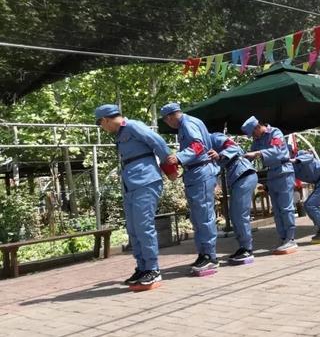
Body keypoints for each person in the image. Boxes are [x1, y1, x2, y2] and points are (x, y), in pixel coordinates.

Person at [95, 104, 174, 286]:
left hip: (146, 181)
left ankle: (153, 269)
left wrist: (170, 168)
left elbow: (158, 143)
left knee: (144, 226)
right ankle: (142, 267)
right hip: (130, 184)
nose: (103, 129)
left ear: (106, 120)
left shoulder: (133, 126)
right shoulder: (120, 134)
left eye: (102, 125)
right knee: (133, 228)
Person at [160, 103, 219, 274]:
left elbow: (198, 146)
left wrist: (178, 157)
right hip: (195, 173)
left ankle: (210, 256)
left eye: (166, 121)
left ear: (170, 117)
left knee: (204, 215)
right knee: (197, 216)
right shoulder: (189, 123)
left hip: (200, 172)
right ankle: (203, 254)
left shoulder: (188, 123)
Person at [242, 116, 297, 254]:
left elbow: (277, 151)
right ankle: (283, 238)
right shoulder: (257, 140)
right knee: (277, 210)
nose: (252, 137)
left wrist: (258, 153)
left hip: (284, 172)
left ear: (257, 127)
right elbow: (252, 154)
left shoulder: (275, 133)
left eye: (253, 133)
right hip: (272, 175)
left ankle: (291, 239)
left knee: (286, 208)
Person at [208, 132, 258, 264]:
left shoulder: (214, 137)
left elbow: (235, 148)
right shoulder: (205, 143)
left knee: (239, 214)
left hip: (244, 174)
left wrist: (220, 155)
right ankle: (244, 247)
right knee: (235, 214)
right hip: (238, 176)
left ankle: (247, 249)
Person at [290, 148, 320, 243]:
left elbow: (309, 156)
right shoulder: (290, 167)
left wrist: (292, 160)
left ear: (291, 152)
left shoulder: (300, 154)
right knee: (308, 205)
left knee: (310, 204)